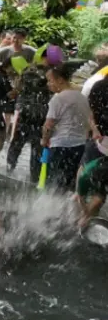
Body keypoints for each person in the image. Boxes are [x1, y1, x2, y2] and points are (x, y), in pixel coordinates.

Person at [42, 63, 99, 191]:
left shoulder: (58, 99)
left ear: (60, 80)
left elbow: (48, 125)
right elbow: (89, 121)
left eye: (50, 80)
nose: (48, 84)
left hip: (60, 146)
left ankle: (53, 208)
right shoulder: (82, 98)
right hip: (80, 146)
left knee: (55, 181)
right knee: (71, 181)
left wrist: (44, 140)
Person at [6, 63, 49, 180]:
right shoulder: (45, 86)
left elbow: (18, 101)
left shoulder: (23, 86)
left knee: (15, 146)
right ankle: (34, 177)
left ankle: (9, 169)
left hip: (25, 119)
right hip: (39, 120)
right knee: (36, 151)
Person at [74, 154, 108, 227]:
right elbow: (81, 197)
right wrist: (86, 213)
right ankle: (84, 220)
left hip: (99, 171)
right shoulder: (85, 178)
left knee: (98, 200)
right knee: (98, 199)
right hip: (93, 174)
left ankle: (87, 217)